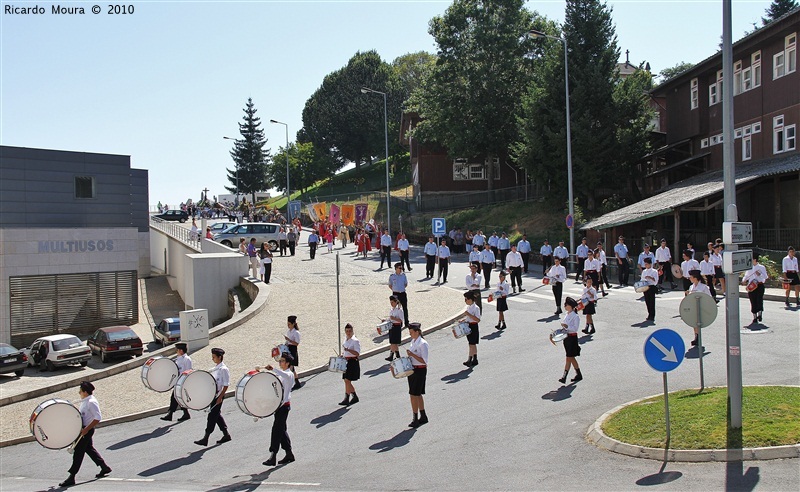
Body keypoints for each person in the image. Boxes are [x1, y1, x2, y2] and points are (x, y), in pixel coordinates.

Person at [59, 381, 112, 487]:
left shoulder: (91, 402)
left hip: (86, 430)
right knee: (89, 449)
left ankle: (72, 476)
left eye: (80, 391)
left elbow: (98, 418)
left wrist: (86, 429)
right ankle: (104, 467)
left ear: (85, 392)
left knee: (78, 453)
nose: (79, 393)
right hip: (84, 430)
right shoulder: (85, 400)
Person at [260, 353, 295, 466]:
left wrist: (273, 369)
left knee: (276, 430)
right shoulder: (281, 375)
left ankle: (273, 455)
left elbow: (284, 376)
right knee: (281, 430)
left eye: (282, 361)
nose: (280, 363)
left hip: (284, 406)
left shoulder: (289, 374)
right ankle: (289, 453)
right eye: (279, 361)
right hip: (279, 406)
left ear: (288, 363)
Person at [194, 348, 231, 446]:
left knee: (211, 417)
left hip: (218, 396)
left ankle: (206, 438)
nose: (212, 359)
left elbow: (226, 385)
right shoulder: (216, 368)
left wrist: (220, 398)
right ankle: (226, 435)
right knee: (217, 415)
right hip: (213, 396)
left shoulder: (223, 369)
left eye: (214, 357)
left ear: (219, 357)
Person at [550, 297, 582, 383]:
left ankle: (564, 376)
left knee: (569, 357)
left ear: (571, 306)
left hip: (572, 338)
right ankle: (578, 374)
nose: (565, 306)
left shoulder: (575, 317)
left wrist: (567, 327)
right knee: (571, 357)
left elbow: (575, 328)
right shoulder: (567, 314)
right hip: (566, 338)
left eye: (566, 305)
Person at [161, 343, 192, 422]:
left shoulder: (187, 359)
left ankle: (171, 414)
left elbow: (188, 371)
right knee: (177, 398)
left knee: (176, 398)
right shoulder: (178, 358)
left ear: (181, 351)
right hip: (178, 382)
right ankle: (184, 414)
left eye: (177, 350)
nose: (176, 351)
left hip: (182, 382)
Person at [406, 323, 429, 428]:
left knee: (414, 395)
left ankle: (415, 418)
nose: (410, 335)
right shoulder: (414, 341)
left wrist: (412, 355)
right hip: (413, 369)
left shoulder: (422, 343)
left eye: (411, 332)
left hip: (420, 370)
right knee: (417, 394)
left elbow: (424, 361)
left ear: (417, 332)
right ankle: (423, 415)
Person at [687, 271, 712, 346]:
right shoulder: (691, 286)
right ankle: (696, 336)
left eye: (691, 277)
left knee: (698, 323)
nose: (689, 278)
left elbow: (709, 297)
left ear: (695, 278)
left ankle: (698, 337)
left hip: (701, 307)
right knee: (693, 323)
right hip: (693, 307)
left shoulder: (704, 287)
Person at [339, 324, 360, 406]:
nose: (348, 333)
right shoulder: (345, 339)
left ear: (352, 331)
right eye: (347, 331)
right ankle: (354, 395)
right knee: (346, 380)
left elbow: (357, 353)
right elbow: (345, 351)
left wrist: (349, 350)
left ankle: (347, 397)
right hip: (346, 361)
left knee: (347, 380)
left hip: (352, 361)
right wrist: (342, 354)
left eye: (350, 331)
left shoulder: (355, 341)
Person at [742, 256, 768, 324]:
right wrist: (744, 280)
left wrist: (760, 275)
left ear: (755, 260)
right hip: (751, 286)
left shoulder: (761, 267)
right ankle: (754, 317)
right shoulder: (749, 267)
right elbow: (746, 275)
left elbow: (765, 276)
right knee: (752, 300)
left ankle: (759, 313)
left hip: (759, 285)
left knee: (759, 299)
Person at [461, 291, 481, 367]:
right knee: (472, 344)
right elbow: (469, 318)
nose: (465, 301)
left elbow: (477, 319)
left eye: (466, 299)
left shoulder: (476, 308)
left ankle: (470, 359)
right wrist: (464, 320)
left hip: (473, 326)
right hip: (469, 325)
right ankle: (475, 358)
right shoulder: (469, 307)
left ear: (471, 299)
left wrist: (468, 315)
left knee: (471, 344)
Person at [384, 296, 404, 362]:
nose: (391, 304)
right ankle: (397, 355)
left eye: (392, 302)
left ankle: (391, 356)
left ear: (396, 302)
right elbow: (390, 318)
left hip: (396, 327)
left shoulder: (399, 310)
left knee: (393, 342)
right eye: (390, 302)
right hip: (391, 327)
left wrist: (394, 318)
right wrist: (385, 320)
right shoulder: (391, 309)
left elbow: (401, 320)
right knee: (393, 342)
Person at [284, 316, 302, 390]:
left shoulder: (296, 332)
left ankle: (290, 383)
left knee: (291, 368)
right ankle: (296, 382)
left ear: (293, 324)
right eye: (287, 324)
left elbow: (297, 343)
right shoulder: (289, 332)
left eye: (289, 324)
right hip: (289, 349)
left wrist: (289, 340)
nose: (288, 326)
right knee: (291, 368)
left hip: (293, 350)